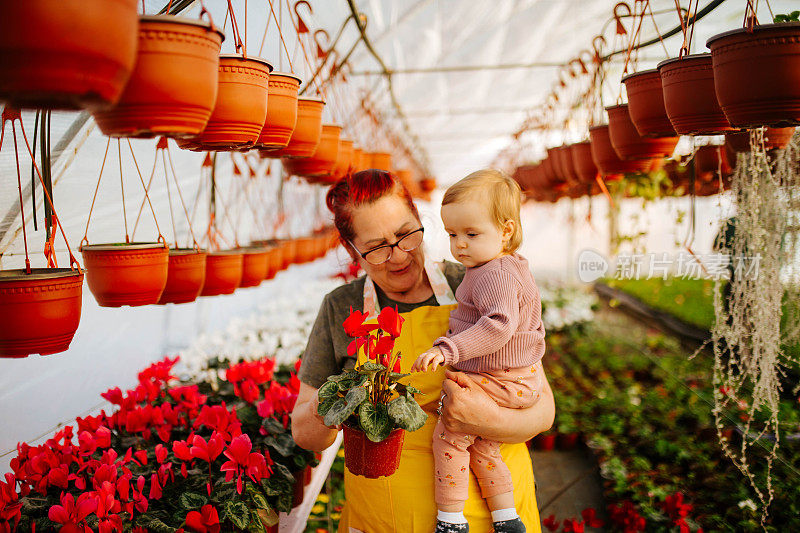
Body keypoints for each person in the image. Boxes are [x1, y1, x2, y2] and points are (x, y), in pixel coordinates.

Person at [291, 169, 555, 533]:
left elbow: (544, 411)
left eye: (405, 235)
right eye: (377, 247)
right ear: (353, 250)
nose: (398, 256)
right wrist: (339, 401)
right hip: (384, 518)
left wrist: (485, 421)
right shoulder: (342, 307)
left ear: (421, 220)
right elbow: (304, 433)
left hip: (492, 514)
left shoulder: (479, 279)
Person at [412, 170, 545, 533]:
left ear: (505, 230)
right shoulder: (501, 265)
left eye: (471, 234)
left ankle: (451, 521)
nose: (460, 245)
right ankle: (506, 518)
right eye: (452, 234)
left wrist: (449, 348)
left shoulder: (494, 274)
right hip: (515, 378)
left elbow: (498, 325)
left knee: (449, 437)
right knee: (484, 446)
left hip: (500, 378)